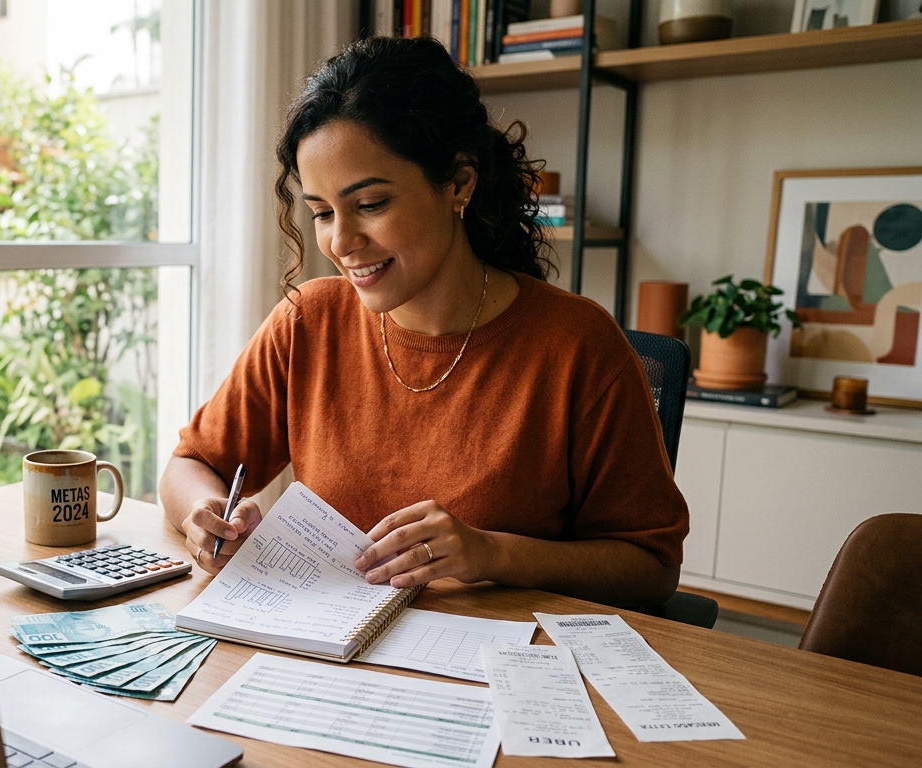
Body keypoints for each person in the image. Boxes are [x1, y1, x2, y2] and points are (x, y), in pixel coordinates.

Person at [159, 36, 688, 607]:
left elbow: (651, 569)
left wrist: (490, 553)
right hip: (325, 657)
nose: (341, 242)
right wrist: (201, 512)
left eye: (370, 205)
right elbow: (193, 463)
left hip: (491, 669)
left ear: (459, 183)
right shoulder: (307, 321)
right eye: (321, 212)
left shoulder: (578, 346)